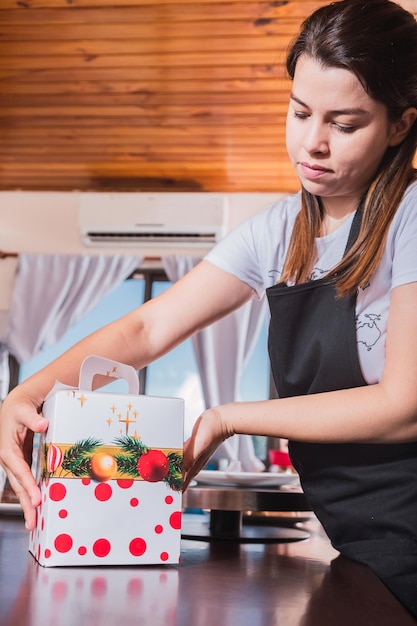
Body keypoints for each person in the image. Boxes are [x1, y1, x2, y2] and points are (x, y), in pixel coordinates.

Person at [1, 0, 417, 617]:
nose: (313, 143)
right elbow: (146, 327)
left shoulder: (410, 217)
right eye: (300, 112)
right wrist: (22, 397)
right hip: (363, 545)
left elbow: (402, 407)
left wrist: (227, 417)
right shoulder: (275, 234)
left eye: (345, 123)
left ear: (401, 125)